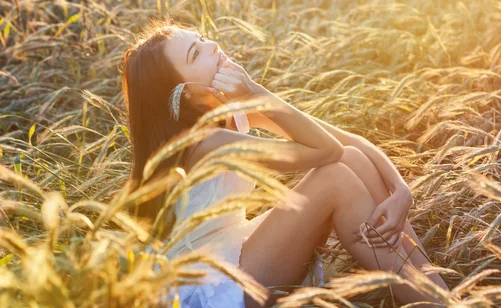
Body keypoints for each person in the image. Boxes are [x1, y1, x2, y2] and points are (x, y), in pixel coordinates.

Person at [121, 20, 450, 308]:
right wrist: (257, 92)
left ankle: (442, 296)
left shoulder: (227, 113)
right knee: (336, 179)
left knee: (352, 161)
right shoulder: (203, 144)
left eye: (201, 38)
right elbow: (327, 151)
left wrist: (401, 189)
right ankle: (438, 302)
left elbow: (349, 144)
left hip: (238, 245)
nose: (212, 45)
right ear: (187, 93)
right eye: (196, 54)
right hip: (217, 285)